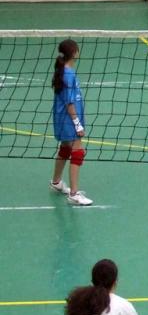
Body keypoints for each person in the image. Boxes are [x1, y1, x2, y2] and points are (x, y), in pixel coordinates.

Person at [49, 39, 92, 206]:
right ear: (74, 53)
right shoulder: (68, 74)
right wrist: (77, 123)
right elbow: (69, 103)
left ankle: (56, 182)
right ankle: (74, 194)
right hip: (69, 119)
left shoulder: (64, 71)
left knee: (66, 148)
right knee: (77, 151)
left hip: (64, 119)